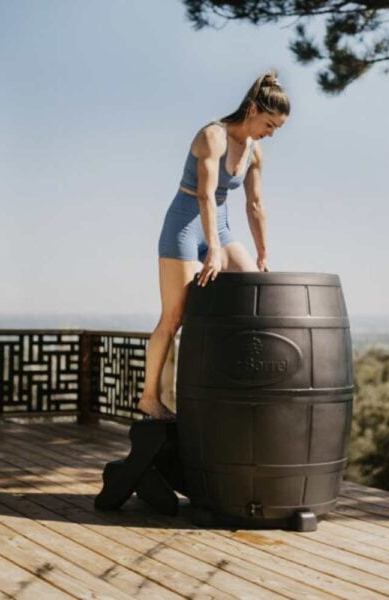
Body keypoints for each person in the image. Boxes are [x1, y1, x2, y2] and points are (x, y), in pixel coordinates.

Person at [138, 71, 290, 419]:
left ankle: (233, 385)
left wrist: (263, 252)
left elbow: (255, 205)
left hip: (219, 230)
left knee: (254, 291)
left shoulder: (255, 151)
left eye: (276, 129)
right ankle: (149, 397)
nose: (270, 133)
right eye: (269, 124)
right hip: (184, 228)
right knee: (174, 317)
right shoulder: (213, 136)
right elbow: (206, 195)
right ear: (252, 109)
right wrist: (214, 253)